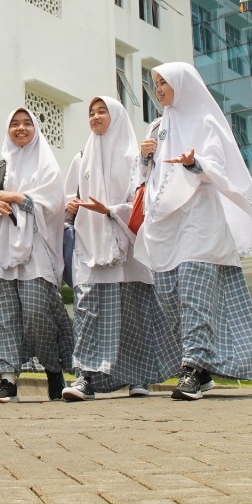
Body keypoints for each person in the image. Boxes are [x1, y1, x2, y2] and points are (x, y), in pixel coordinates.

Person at [135, 63, 252, 400]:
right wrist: (143, 157)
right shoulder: (157, 126)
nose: (159, 89)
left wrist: (194, 164)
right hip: (165, 227)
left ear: (181, 84)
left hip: (199, 222)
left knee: (194, 296)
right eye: (155, 83)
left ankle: (193, 369)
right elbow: (143, 179)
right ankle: (203, 370)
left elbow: (216, 164)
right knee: (169, 298)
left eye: (164, 82)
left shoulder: (205, 120)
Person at [60, 96, 180, 401]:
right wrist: (71, 207)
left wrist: (111, 210)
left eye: (102, 112)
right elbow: (67, 201)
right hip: (90, 245)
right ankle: (86, 377)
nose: (96, 117)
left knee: (132, 313)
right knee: (89, 311)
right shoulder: (81, 157)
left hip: (125, 247)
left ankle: (138, 377)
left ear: (116, 116)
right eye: (91, 113)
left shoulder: (132, 157)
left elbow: (143, 201)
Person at [0, 107, 75, 404]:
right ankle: (7, 381)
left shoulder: (47, 163)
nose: (20, 128)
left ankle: (53, 368)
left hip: (36, 251)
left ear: (35, 129)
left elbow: (55, 206)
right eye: (14, 124)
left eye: (27, 123)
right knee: (2, 316)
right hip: (0, 252)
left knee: (37, 313)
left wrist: (18, 197)